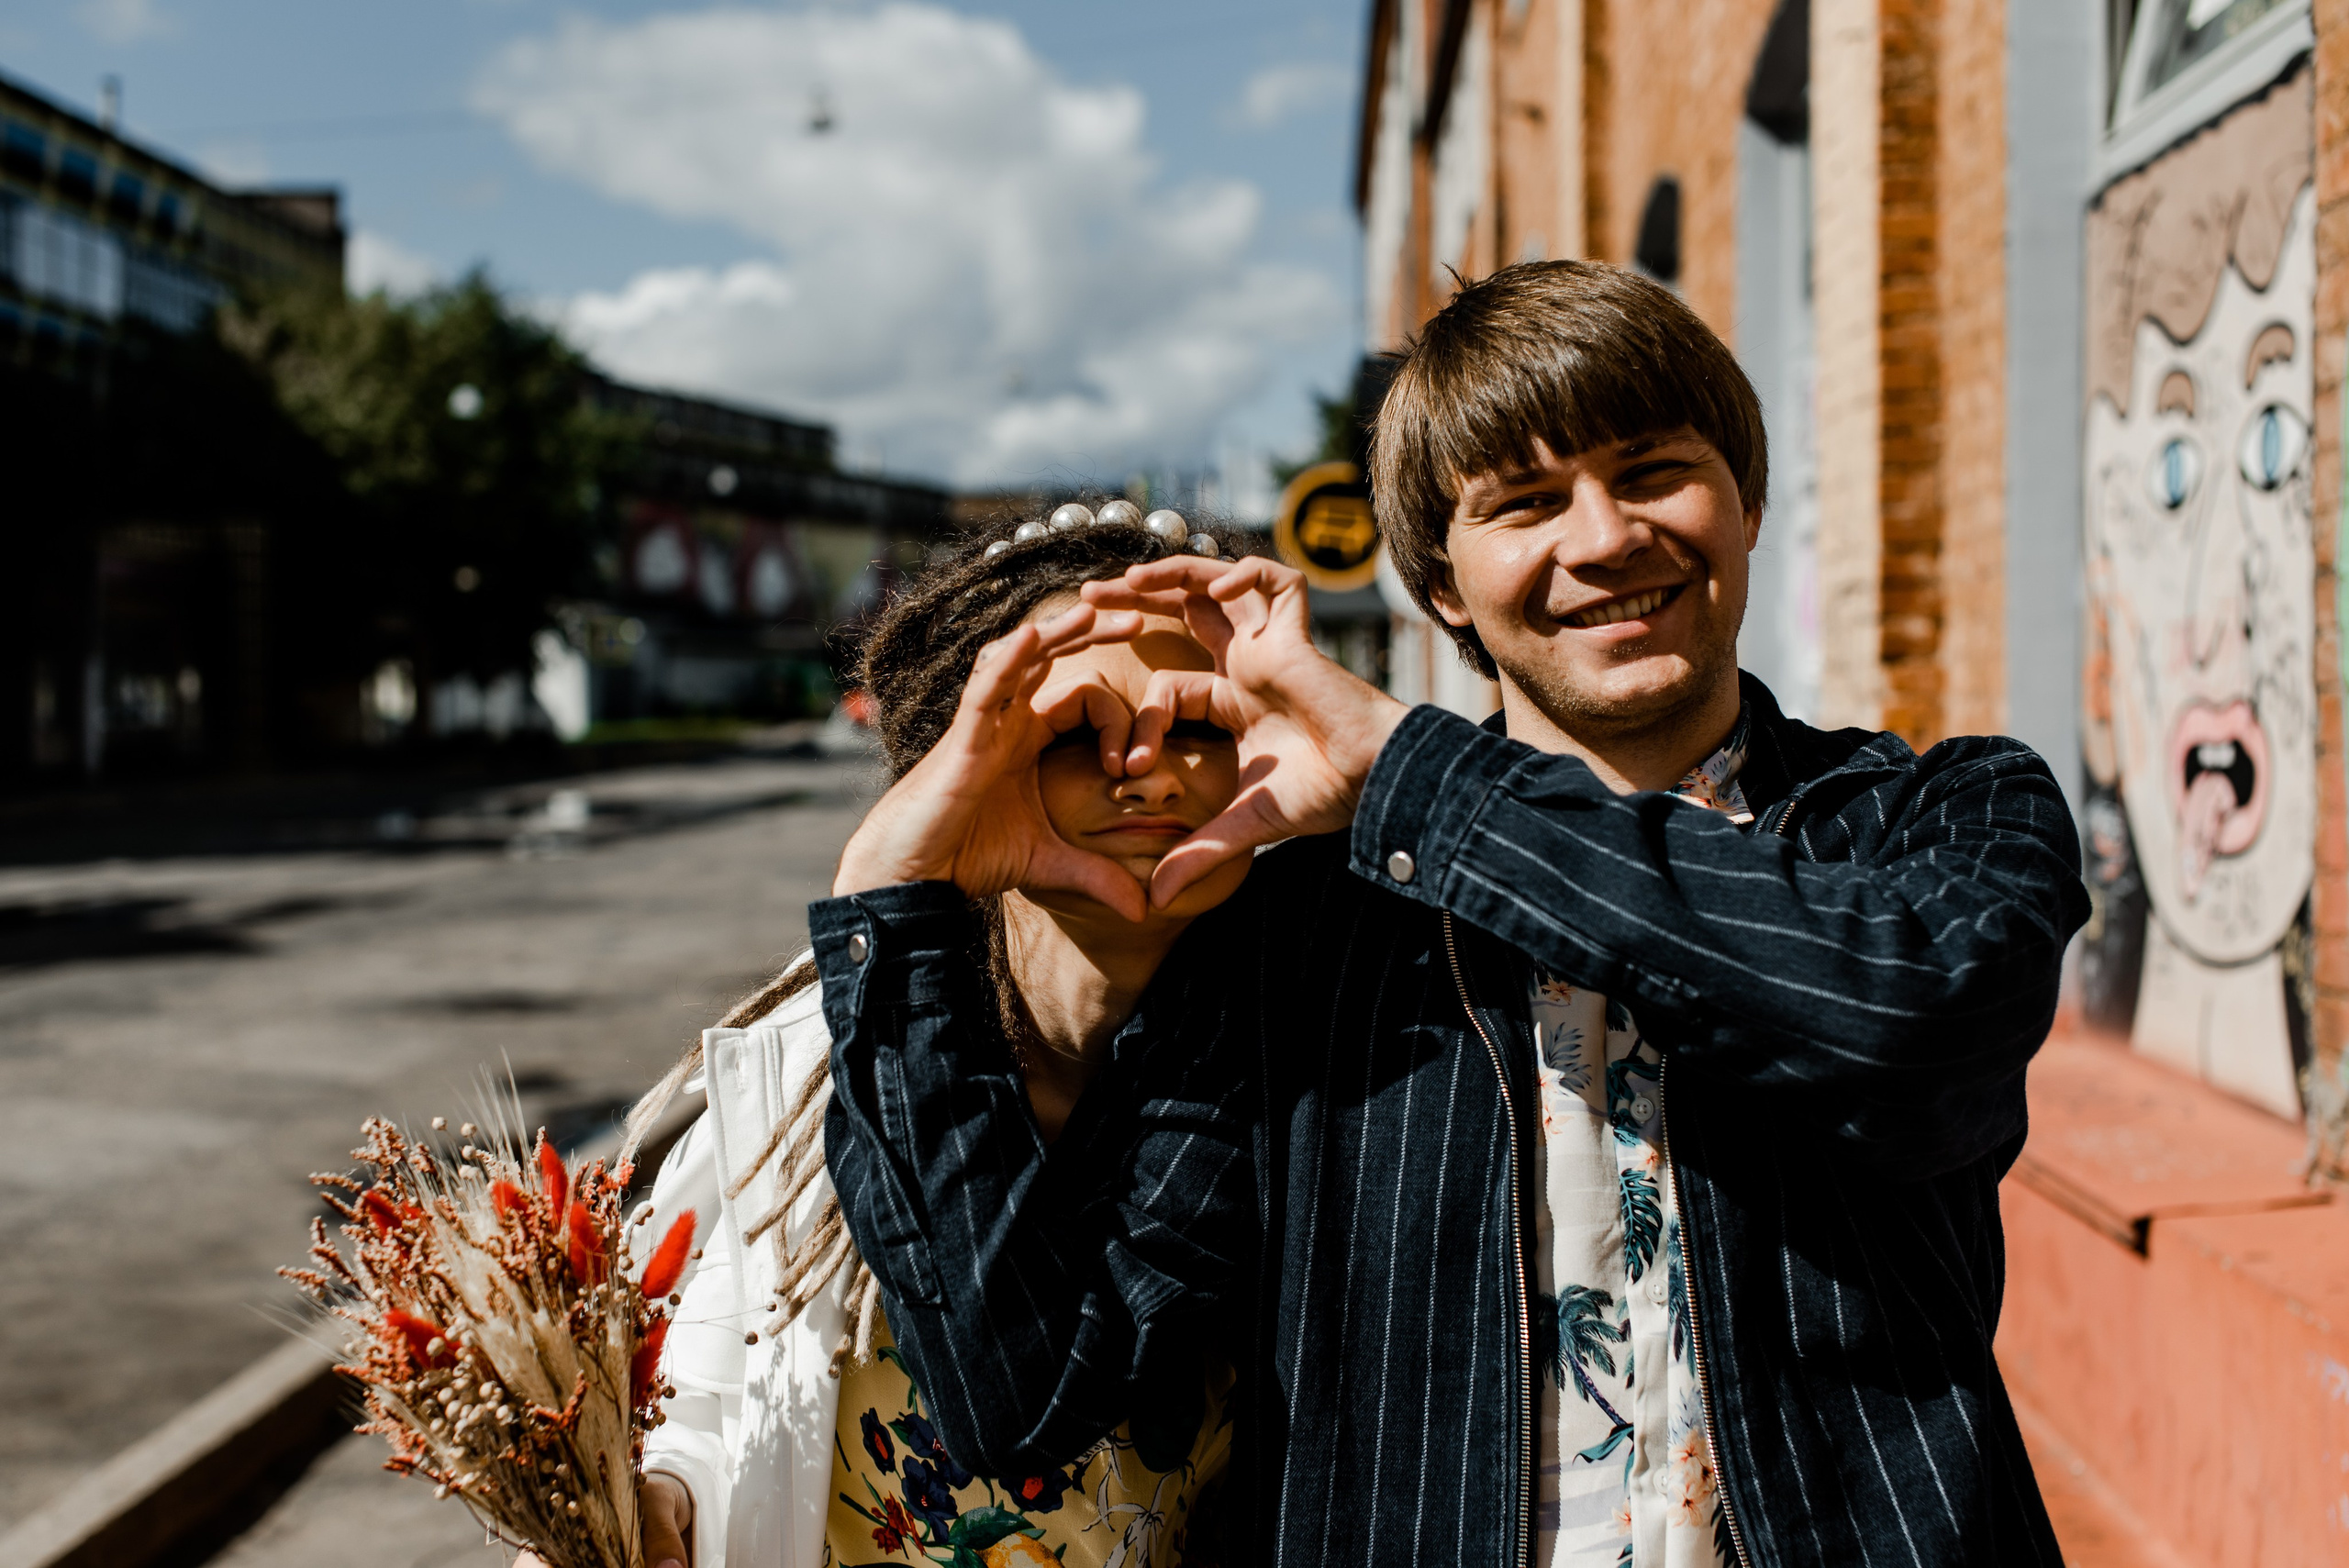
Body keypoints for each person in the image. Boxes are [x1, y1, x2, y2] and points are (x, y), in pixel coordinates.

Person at [816, 261, 2091, 1568]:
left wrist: (1414, 782)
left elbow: (1913, 1026)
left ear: (1747, 497)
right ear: (1440, 586)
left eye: (1652, 470)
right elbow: (1026, 1395)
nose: (1603, 538)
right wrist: (892, 911)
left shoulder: (1942, 814)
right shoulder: (1306, 929)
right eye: (1526, 504)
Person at [582, 507, 1257, 1568]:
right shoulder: (814, 1054)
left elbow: (1027, 1411)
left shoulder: (1325, 1065)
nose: (1147, 770)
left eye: (1204, 723)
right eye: (1074, 730)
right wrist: (657, 1497)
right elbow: (717, 1388)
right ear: (962, 761)